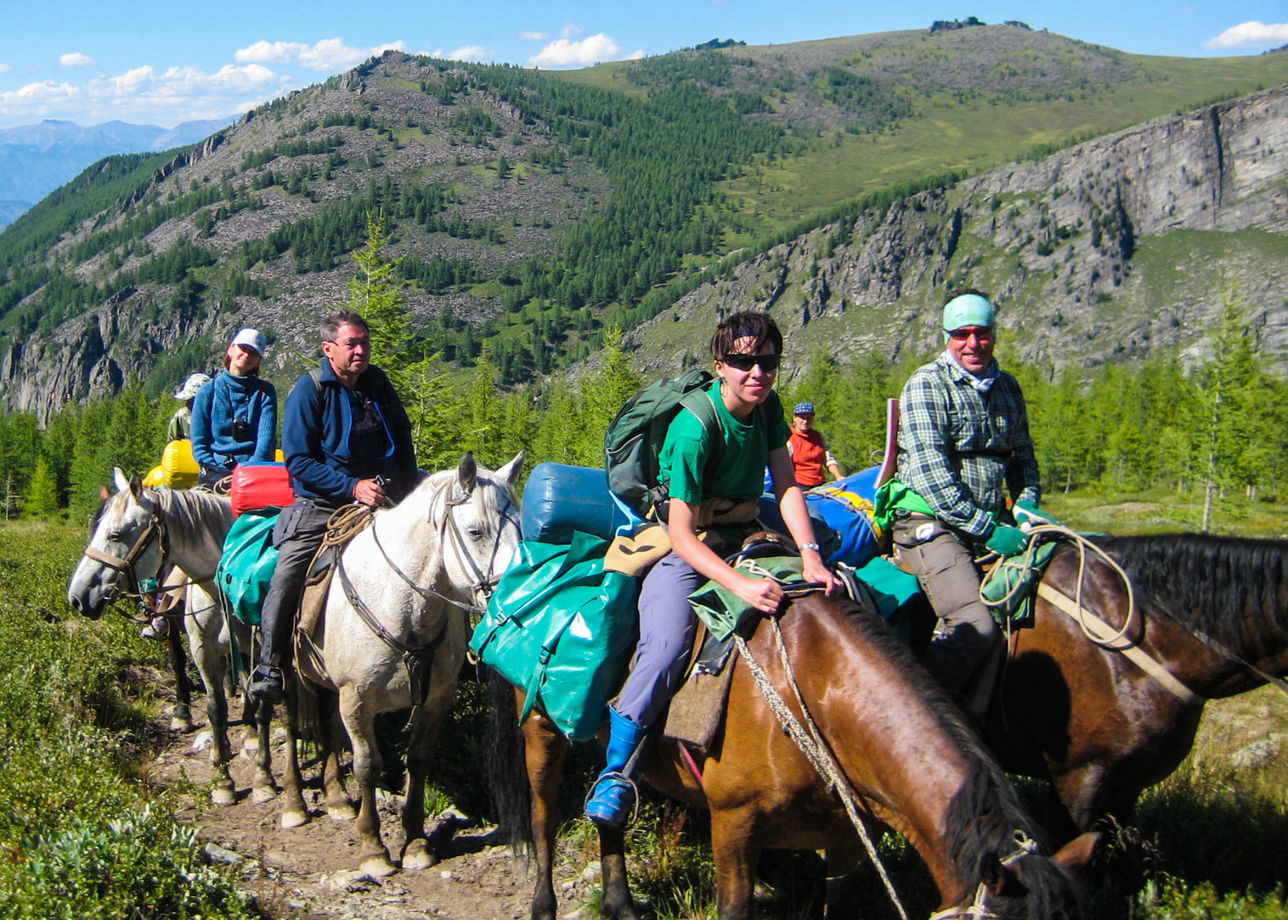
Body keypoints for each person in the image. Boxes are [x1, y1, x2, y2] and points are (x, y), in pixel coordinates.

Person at [585, 311, 841, 829]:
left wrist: (810, 553)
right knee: (664, 647)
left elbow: (787, 486)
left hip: (747, 528)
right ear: (720, 365)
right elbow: (681, 535)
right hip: (689, 541)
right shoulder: (693, 429)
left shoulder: (767, 408)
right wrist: (741, 583)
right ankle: (617, 770)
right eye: (744, 362)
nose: (757, 373)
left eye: (767, 362)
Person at [882, 290, 1040, 715]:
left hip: (994, 520)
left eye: (981, 333)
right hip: (930, 521)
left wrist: (1026, 507)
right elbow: (934, 477)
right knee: (976, 623)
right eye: (962, 333)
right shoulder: (927, 383)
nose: (973, 343)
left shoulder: (1008, 388)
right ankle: (920, 723)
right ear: (948, 336)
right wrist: (987, 529)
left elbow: (1023, 459)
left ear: (993, 334)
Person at [249, 309, 418, 703]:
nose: (361, 350)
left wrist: (409, 487)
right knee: (288, 571)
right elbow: (299, 462)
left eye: (365, 342)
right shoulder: (309, 391)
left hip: (385, 495)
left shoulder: (378, 384)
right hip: (323, 504)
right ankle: (270, 665)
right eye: (352, 344)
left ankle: (455, 656)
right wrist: (351, 487)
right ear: (329, 349)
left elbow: (403, 438)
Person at [190, 329, 277, 488]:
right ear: (231, 350)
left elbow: (265, 441)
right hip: (214, 474)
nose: (246, 355)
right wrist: (215, 471)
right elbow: (199, 444)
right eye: (243, 349)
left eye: (253, 353)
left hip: (254, 475)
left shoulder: (265, 392)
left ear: (258, 360)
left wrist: (246, 473)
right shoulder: (207, 393)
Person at [786, 401, 843, 488]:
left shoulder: (818, 437)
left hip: (820, 483)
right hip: (800, 484)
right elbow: (784, 467)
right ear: (795, 418)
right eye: (802, 417)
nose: (805, 421)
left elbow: (829, 460)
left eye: (809, 418)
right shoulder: (789, 438)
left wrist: (839, 477)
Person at [168, 373, 210, 442]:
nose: (187, 404)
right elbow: (171, 447)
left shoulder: (222, 418)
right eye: (188, 399)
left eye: (192, 400)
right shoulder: (181, 417)